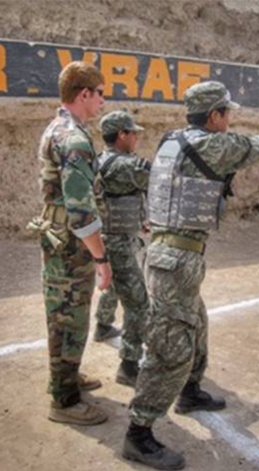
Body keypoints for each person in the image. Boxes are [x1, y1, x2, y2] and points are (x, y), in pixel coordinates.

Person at [122, 80, 259, 470]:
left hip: (174, 257)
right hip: (172, 259)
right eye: (226, 113)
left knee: (197, 325)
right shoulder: (212, 144)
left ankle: (190, 391)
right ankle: (139, 432)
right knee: (170, 347)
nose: (229, 120)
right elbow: (254, 147)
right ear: (214, 116)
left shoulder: (172, 140)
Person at [33, 61, 112, 425]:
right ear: (84, 94)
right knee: (68, 317)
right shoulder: (75, 138)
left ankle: (68, 375)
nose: (103, 102)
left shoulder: (58, 127)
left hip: (59, 238)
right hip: (70, 245)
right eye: (100, 95)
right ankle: (63, 401)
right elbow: (81, 213)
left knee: (69, 313)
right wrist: (101, 259)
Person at [93, 110, 151, 386]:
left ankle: (103, 325)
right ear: (121, 135)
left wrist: (141, 219)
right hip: (119, 242)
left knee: (115, 285)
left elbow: (127, 196)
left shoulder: (103, 160)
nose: (137, 137)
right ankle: (129, 366)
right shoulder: (126, 165)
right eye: (133, 132)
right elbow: (159, 178)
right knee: (139, 304)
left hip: (109, 238)